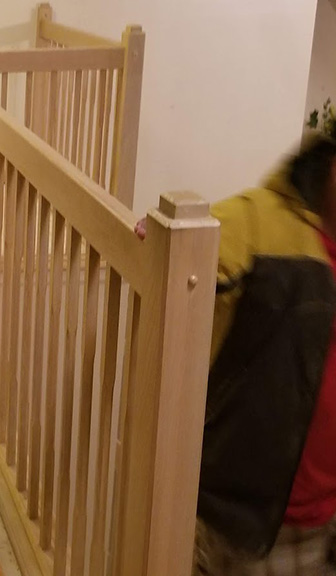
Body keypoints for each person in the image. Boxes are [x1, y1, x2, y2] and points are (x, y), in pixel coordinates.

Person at [137, 130, 336, 574]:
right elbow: (193, 250)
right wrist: (160, 243)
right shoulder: (266, 218)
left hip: (322, 521)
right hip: (250, 520)